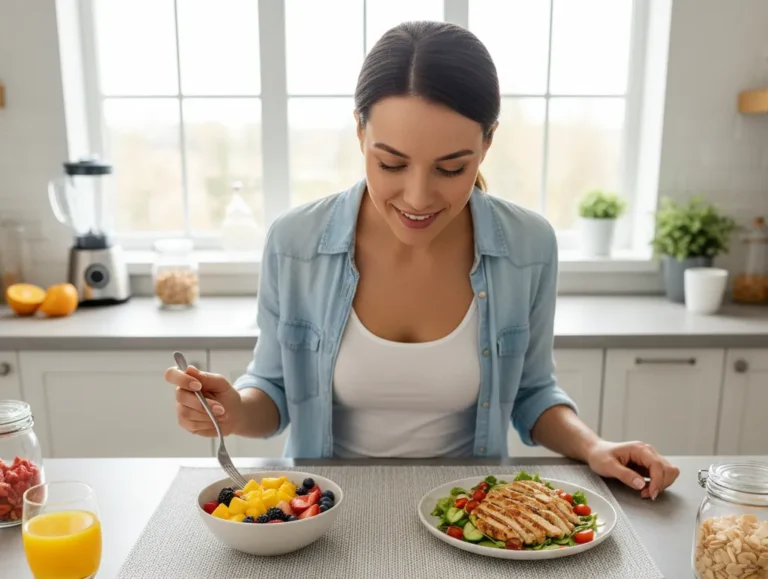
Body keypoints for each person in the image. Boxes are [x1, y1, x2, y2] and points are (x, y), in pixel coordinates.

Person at [165, 21, 679, 499]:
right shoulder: (295, 241)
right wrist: (232, 410)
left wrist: (594, 447)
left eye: (451, 169)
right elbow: (273, 391)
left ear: (487, 143)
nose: (417, 197)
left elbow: (532, 392)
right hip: (324, 513)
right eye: (391, 163)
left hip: (472, 515)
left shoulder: (529, 245)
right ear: (360, 133)